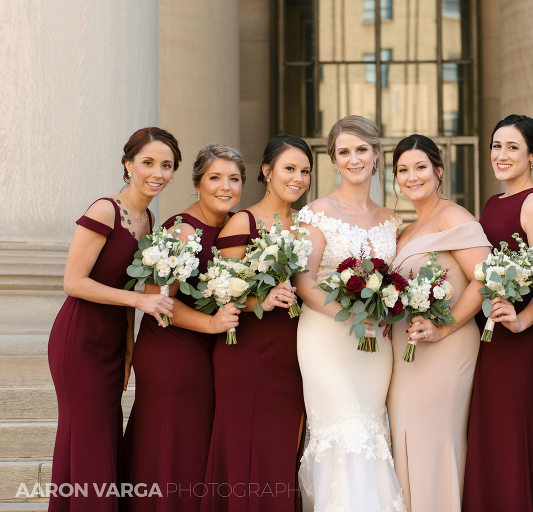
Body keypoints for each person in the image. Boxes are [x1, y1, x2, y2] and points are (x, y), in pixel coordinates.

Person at [47, 127, 179, 511]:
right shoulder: (104, 210)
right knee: (89, 441)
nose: (158, 172)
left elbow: (128, 291)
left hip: (111, 344)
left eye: (167, 165)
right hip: (79, 339)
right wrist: (139, 302)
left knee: (102, 438)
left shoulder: (150, 219)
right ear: (128, 165)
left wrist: (128, 352)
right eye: (148, 162)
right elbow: (73, 282)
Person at [294, 116, 405, 511]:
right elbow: (304, 283)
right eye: (344, 152)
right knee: (344, 430)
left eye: (362, 150)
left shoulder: (392, 220)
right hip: (326, 338)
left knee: (371, 430)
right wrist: (351, 311)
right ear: (334, 159)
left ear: (376, 155)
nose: (354, 158)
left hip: (375, 344)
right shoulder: (315, 214)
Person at [124, 144, 243, 511]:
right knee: (171, 451)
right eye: (215, 178)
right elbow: (159, 301)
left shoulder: (237, 225)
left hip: (208, 354)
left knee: (192, 452)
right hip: (171, 353)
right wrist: (211, 323)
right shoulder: (181, 229)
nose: (226, 187)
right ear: (198, 183)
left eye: (234, 178)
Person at [201, 136, 311, 512]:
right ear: (267, 171)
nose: (297, 178)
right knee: (246, 450)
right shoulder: (240, 222)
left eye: (305, 171)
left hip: (292, 354)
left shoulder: (306, 223)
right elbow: (221, 291)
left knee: (282, 450)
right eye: (289, 169)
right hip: (248, 353)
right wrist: (260, 301)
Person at [387, 134, 491, 511]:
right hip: (406, 352)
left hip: (446, 347)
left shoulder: (454, 216)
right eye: (402, 169)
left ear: (438, 171)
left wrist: (443, 327)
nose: (411, 177)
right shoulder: (406, 229)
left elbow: (486, 278)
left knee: (434, 442)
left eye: (420, 168)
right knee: (406, 440)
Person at [462, 115, 533, 512]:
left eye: (513, 147)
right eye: (496, 146)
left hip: (518, 334)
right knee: (494, 424)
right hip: (489, 331)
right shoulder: (493, 202)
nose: (501, 155)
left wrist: (523, 320)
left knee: (508, 423)